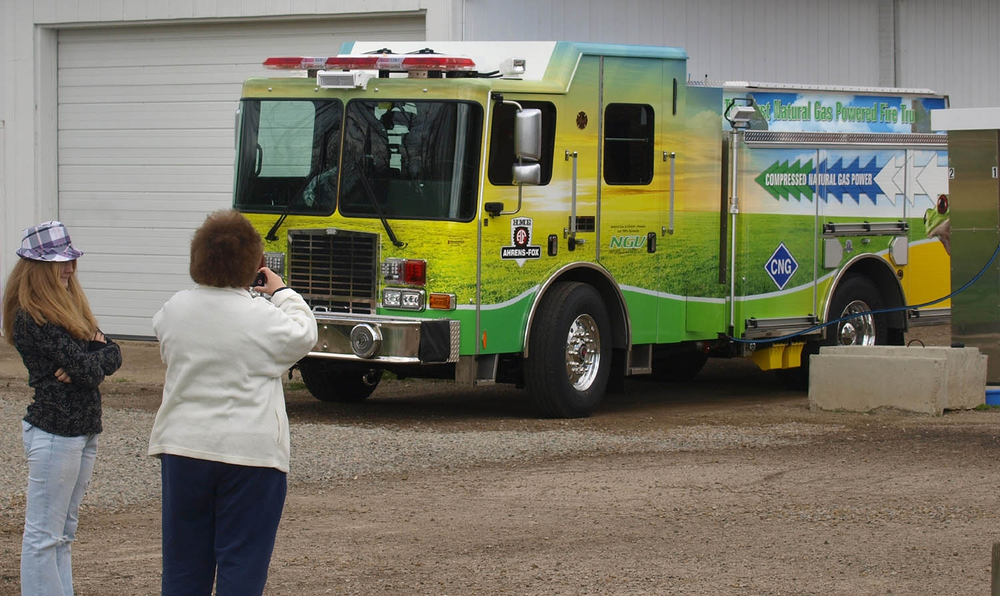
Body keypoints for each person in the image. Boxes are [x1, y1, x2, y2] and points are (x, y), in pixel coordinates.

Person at [148, 209, 317, 596]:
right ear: (254, 264)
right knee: (242, 563)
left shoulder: (175, 309)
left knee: (183, 564)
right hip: (251, 454)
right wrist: (280, 291)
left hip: (184, 447)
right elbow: (304, 332)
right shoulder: (261, 318)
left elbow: (162, 331)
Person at [1, 220, 122, 596]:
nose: (69, 268)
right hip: (55, 432)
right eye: (60, 262)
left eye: (70, 261)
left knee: (64, 533)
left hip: (82, 430)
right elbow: (91, 365)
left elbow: (114, 355)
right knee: (44, 535)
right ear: (39, 267)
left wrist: (89, 358)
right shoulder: (31, 315)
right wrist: (90, 354)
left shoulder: (68, 308)